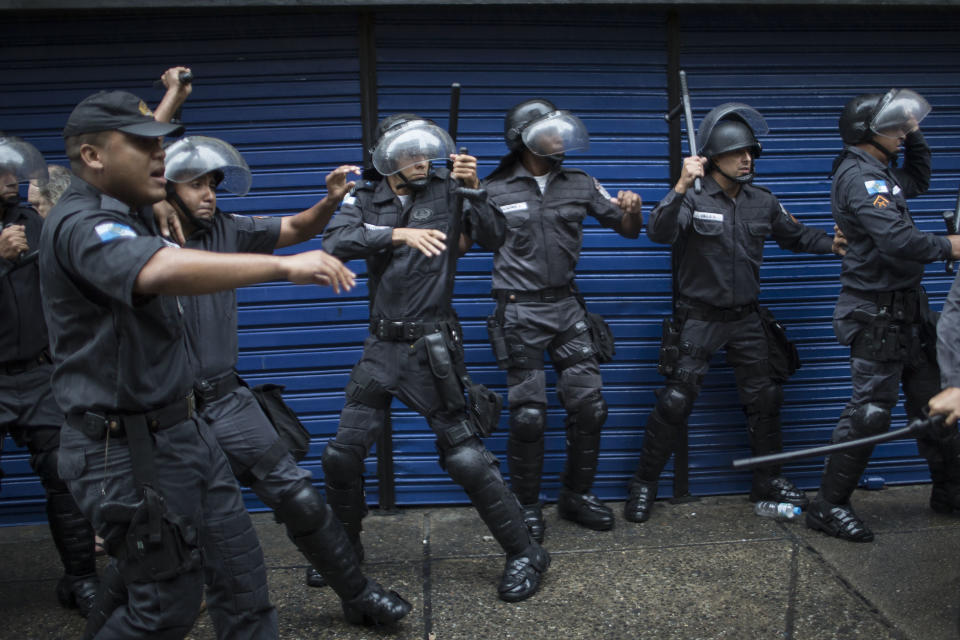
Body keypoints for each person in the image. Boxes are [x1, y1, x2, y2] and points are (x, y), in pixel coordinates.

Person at [41, 89, 354, 639]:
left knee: (243, 585)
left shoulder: (130, 204)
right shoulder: (84, 225)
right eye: (144, 146)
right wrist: (283, 269)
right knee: (163, 610)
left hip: (185, 432)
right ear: (92, 158)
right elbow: (157, 271)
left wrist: (169, 104)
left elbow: (138, 156)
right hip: (125, 450)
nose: (160, 155)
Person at [158, 132, 411, 624]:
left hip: (227, 398)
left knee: (297, 494)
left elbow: (295, 228)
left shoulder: (228, 229)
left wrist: (331, 199)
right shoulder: (140, 240)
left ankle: (358, 595)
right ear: (164, 189)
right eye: (194, 185)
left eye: (212, 183)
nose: (208, 194)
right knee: (175, 520)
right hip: (168, 413)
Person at [322, 113, 550, 603]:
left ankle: (526, 552)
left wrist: (474, 189)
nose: (421, 160)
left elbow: (494, 238)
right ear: (387, 157)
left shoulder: (448, 189)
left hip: (431, 350)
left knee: (465, 457)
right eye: (409, 152)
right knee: (341, 455)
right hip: (381, 348)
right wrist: (397, 235)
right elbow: (335, 242)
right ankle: (344, 549)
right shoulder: (365, 197)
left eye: (426, 151)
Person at [624, 102, 847, 524]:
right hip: (700, 319)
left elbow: (796, 236)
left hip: (746, 318)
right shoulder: (691, 198)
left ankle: (767, 480)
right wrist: (679, 185)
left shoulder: (762, 201)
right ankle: (644, 484)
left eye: (751, 153)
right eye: (737, 153)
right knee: (674, 402)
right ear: (713, 159)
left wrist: (832, 245)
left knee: (766, 398)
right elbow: (658, 232)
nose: (747, 159)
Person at [480, 99, 643, 541]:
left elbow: (627, 229)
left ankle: (575, 496)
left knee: (591, 408)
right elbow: (460, 244)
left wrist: (632, 208)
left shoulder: (581, 183)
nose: (561, 138)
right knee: (529, 415)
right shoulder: (493, 190)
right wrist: (460, 198)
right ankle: (527, 507)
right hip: (520, 311)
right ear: (525, 139)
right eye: (551, 132)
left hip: (568, 308)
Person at [806, 89, 960, 542]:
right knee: (870, 412)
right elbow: (899, 243)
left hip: (909, 313)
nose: (901, 133)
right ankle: (828, 507)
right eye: (893, 126)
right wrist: (953, 245)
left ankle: (950, 491)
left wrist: (914, 131)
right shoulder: (861, 178)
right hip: (875, 314)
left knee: (937, 407)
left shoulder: (882, 173)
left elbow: (919, 177)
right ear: (866, 132)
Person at [0, 135, 99, 616]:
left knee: (66, 473)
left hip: (40, 375)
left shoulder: (37, 222)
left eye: (11, 173)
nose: (10, 181)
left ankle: (80, 579)